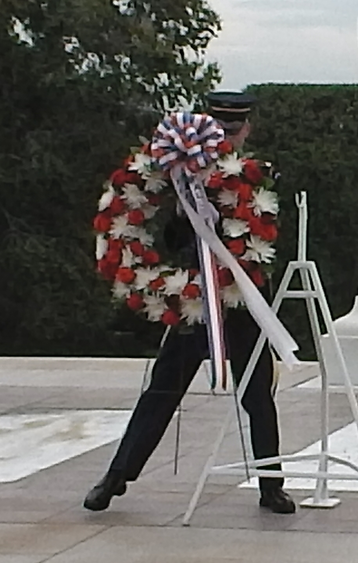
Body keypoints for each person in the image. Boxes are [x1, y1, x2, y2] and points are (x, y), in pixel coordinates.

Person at [84, 91, 296, 514]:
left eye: (236, 130)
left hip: (241, 299)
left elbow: (263, 239)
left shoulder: (255, 176)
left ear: (246, 130)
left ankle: (271, 484)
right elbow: (167, 236)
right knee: (162, 390)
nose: (232, 137)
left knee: (257, 394)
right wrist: (189, 218)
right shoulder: (179, 172)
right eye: (225, 129)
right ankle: (117, 476)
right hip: (194, 298)